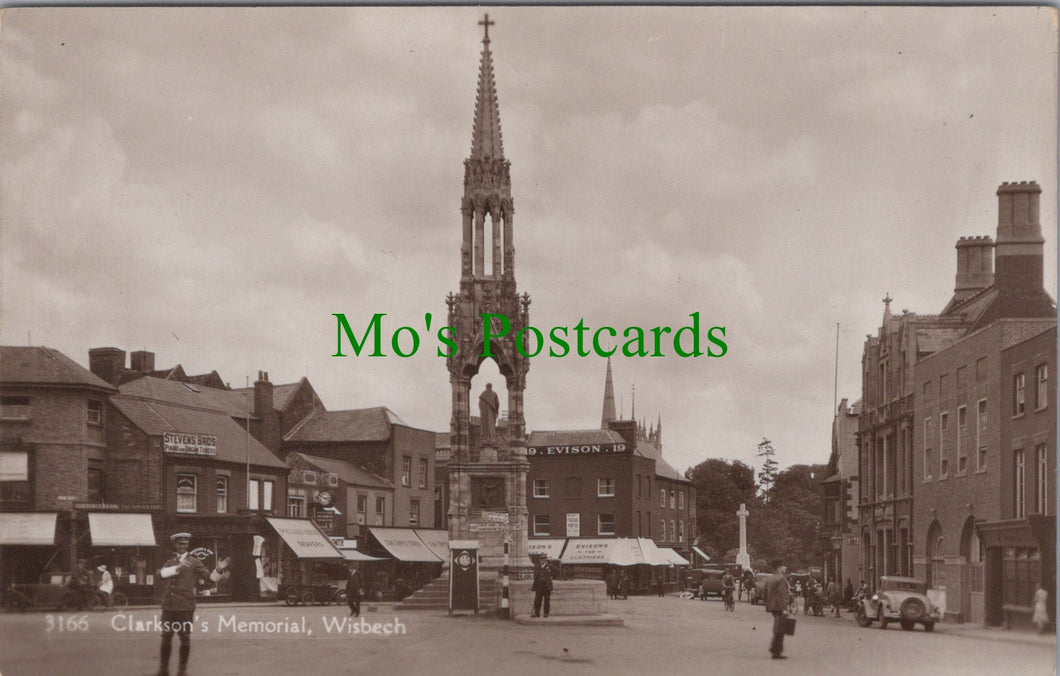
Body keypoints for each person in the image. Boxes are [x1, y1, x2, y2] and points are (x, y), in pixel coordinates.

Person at [155, 532, 230, 676]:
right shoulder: (170, 561)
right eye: (179, 544)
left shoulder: (195, 562)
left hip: (185, 606)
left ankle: (182, 671)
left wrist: (219, 569)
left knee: (184, 637)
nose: (182, 546)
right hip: (168, 606)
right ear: (175, 545)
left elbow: (211, 578)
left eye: (184, 544)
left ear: (187, 545)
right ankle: (163, 670)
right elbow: (160, 575)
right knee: (166, 637)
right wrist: (177, 567)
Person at [762, 559, 791, 660]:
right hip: (779, 607)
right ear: (779, 567)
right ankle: (776, 651)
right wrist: (784, 609)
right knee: (780, 630)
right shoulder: (781, 579)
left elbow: (764, 593)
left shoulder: (770, 578)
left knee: (778, 628)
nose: (785, 567)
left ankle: (774, 649)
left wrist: (768, 603)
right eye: (784, 565)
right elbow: (781, 595)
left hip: (772, 606)